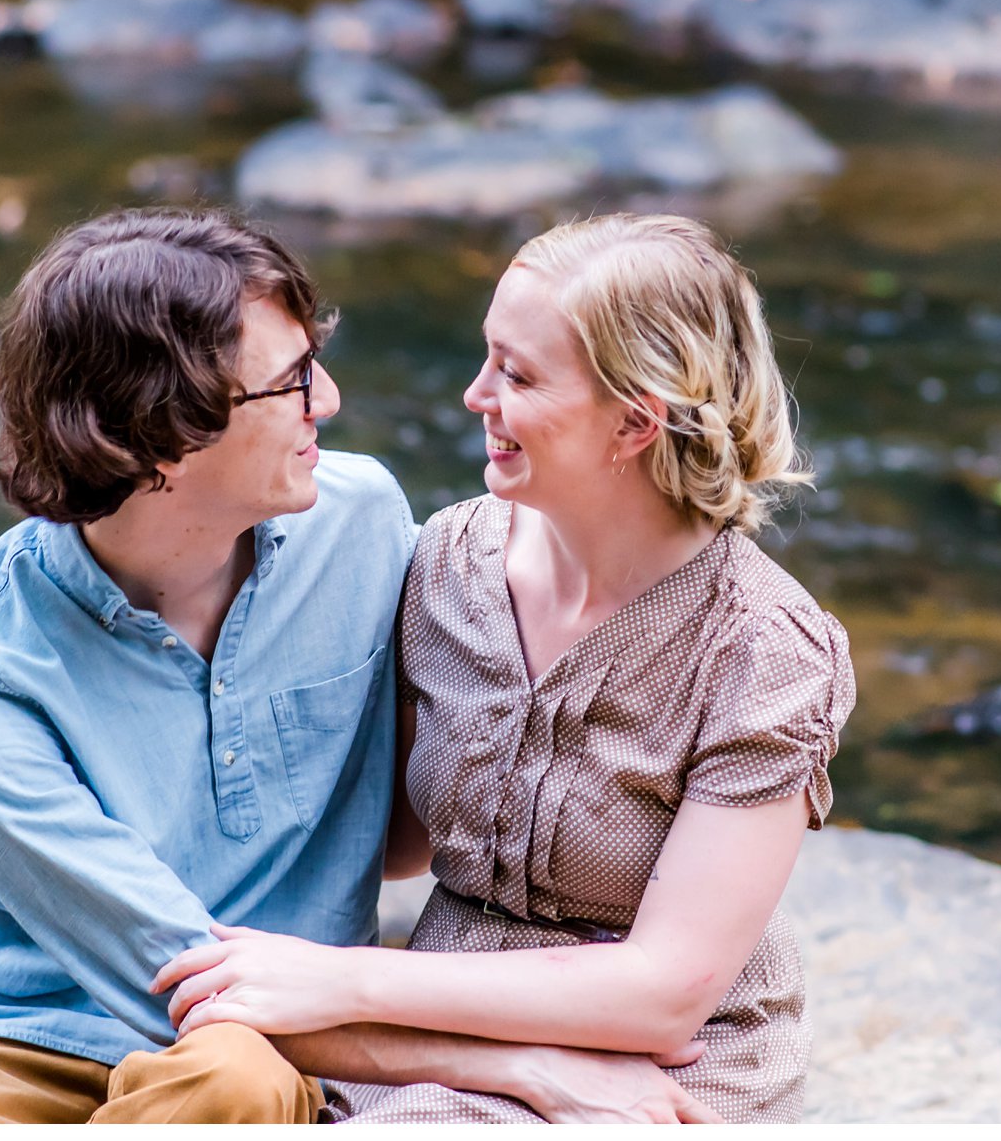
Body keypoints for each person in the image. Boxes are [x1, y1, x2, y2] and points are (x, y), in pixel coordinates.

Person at [0, 208, 717, 1123]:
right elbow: (180, 976)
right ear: (161, 437)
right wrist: (515, 1064)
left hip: (257, 1052)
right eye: (291, 383)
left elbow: (427, 815)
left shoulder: (360, 523)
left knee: (228, 1080)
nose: (330, 401)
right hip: (16, 1035)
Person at [156, 212, 858, 1123]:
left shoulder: (762, 651)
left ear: (634, 423)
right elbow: (396, 843)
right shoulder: (447, 561)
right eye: (488, 356)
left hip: (664, 1069)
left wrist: (335, 981)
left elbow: (665, 993)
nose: (473, 394)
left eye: (516, 375)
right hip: (426, 1039)